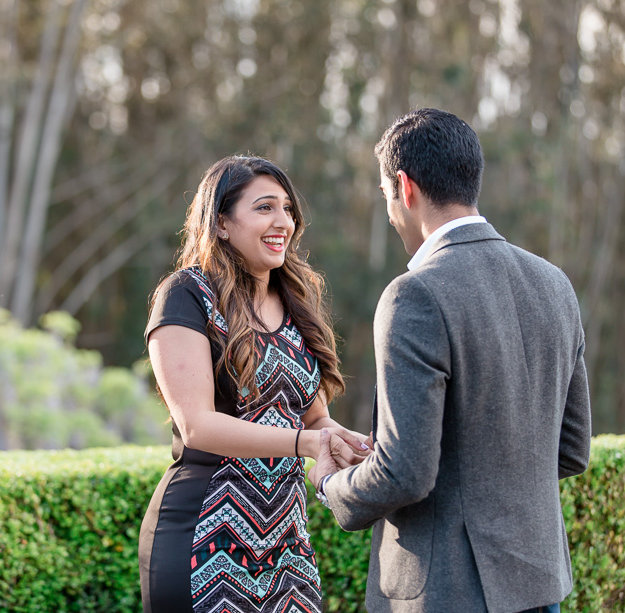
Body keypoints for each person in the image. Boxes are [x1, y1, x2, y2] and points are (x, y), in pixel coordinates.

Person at [308, 108, 592, 613]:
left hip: (448, 594)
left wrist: (333, 485)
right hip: (541, 585)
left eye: (386, 197)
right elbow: (570, 450)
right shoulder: (555, 285)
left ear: (405, 187)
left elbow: (406, 474)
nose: (391, 213)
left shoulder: (413, 296)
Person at [139, 155, 369, 613]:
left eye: (287, 208)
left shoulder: (295, 301)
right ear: (221, 222)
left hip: (286, 543)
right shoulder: (187, 295)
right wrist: (308, 442)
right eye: (265, 207)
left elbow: (312, 415)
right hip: (204, 534)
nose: (283, 220)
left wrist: (346, 441)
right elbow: (198, 426)